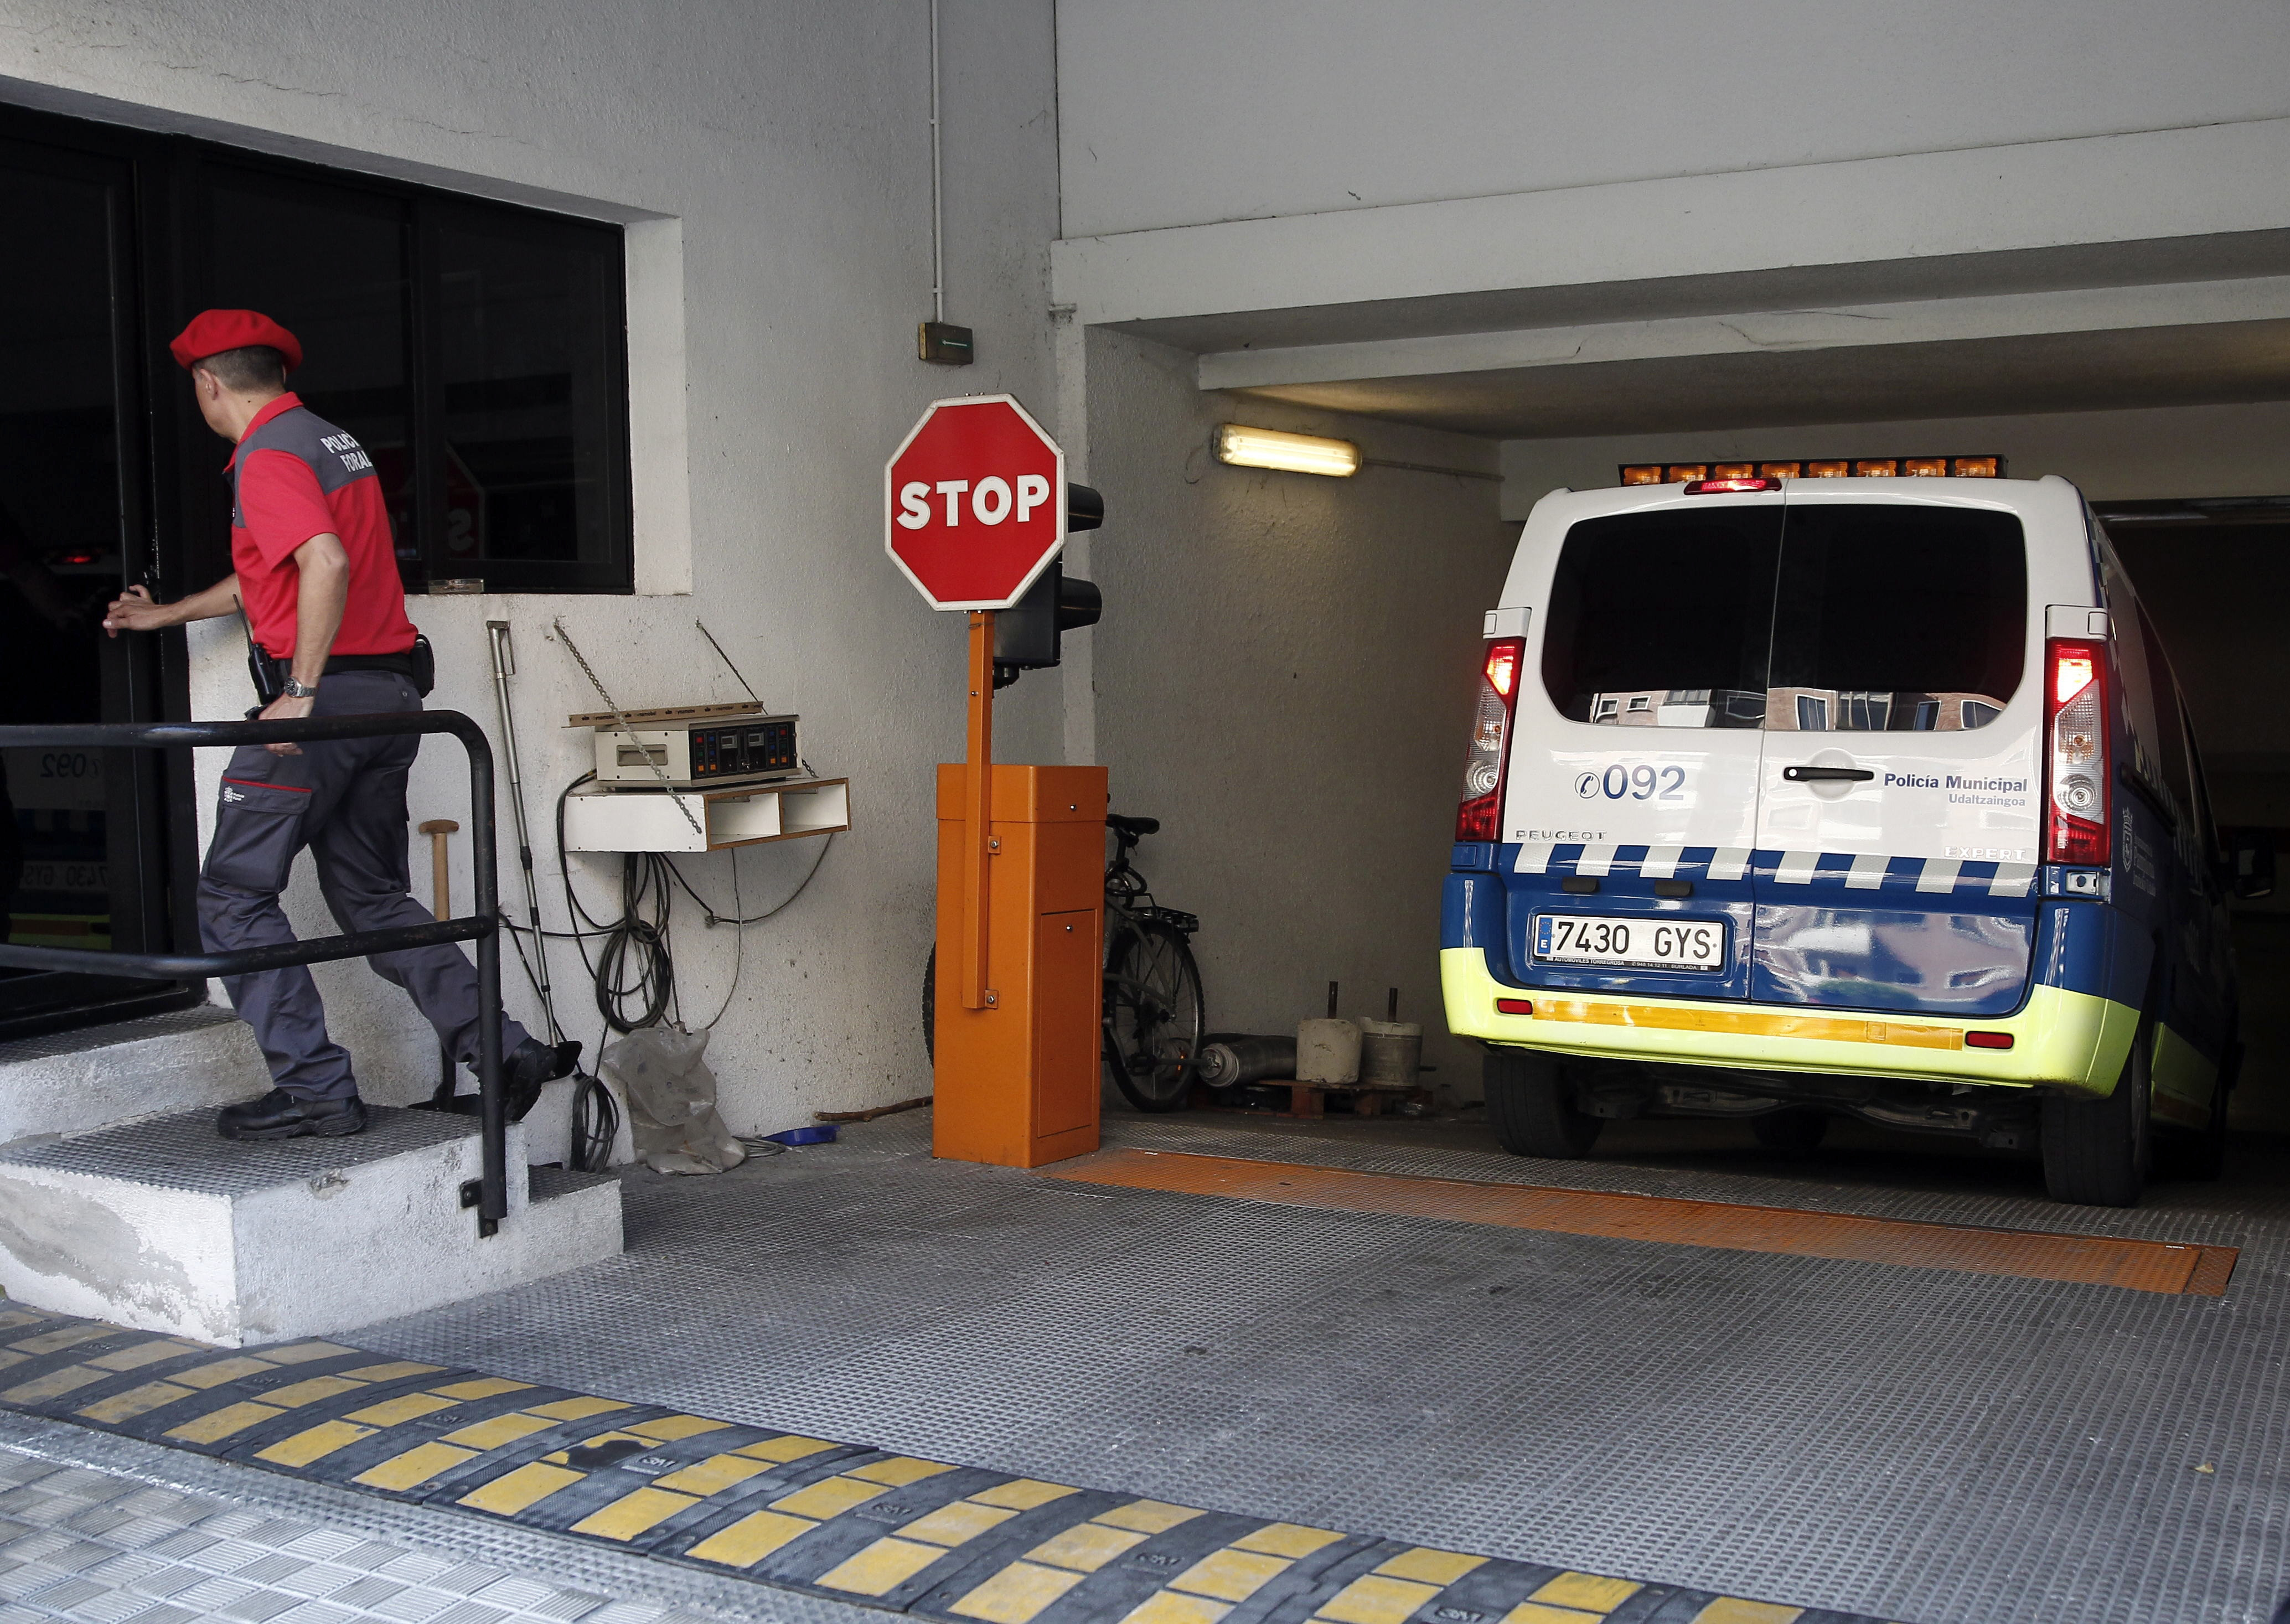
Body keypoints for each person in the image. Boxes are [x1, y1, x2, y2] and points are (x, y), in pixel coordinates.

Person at [102, 309, 575, 1140]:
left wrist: (300, 688)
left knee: (234, 897)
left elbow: (323, 560)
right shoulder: (326, 441)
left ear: (209, 383)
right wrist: (168, 613)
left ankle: (316, 1090)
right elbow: (277, 573)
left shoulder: (266, 455)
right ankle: (501, 1047)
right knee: (370, 894)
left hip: (326, 712)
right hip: (392, 702)